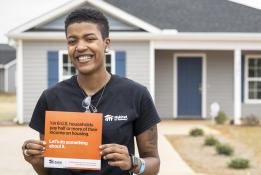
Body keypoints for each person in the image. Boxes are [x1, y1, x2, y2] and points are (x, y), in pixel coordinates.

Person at [21, 7, 161, 175]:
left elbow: (154, 163)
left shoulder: (137, 95)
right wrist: (37, 162)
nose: (80, 47)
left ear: (106, 43)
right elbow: (49, 169)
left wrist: (133, 163)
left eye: (89, 39)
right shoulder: (51, 97)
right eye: (72, 41)